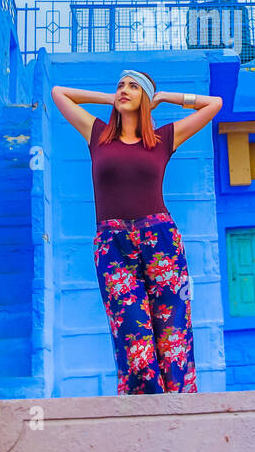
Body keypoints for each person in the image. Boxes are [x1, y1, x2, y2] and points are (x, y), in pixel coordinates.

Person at [51, 70, 223, 394]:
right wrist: (111, 100)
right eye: (120, 85)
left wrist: (165, 97)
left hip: (162, 243)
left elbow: (214, 104)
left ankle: (180, 412)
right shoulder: (97, 133)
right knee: (134, 341)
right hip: (112, 246)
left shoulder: (162, 139)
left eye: (133, 86)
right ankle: (145, 416)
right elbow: (59, 93)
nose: (124, 90)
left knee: (174, 336)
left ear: (144, 97)